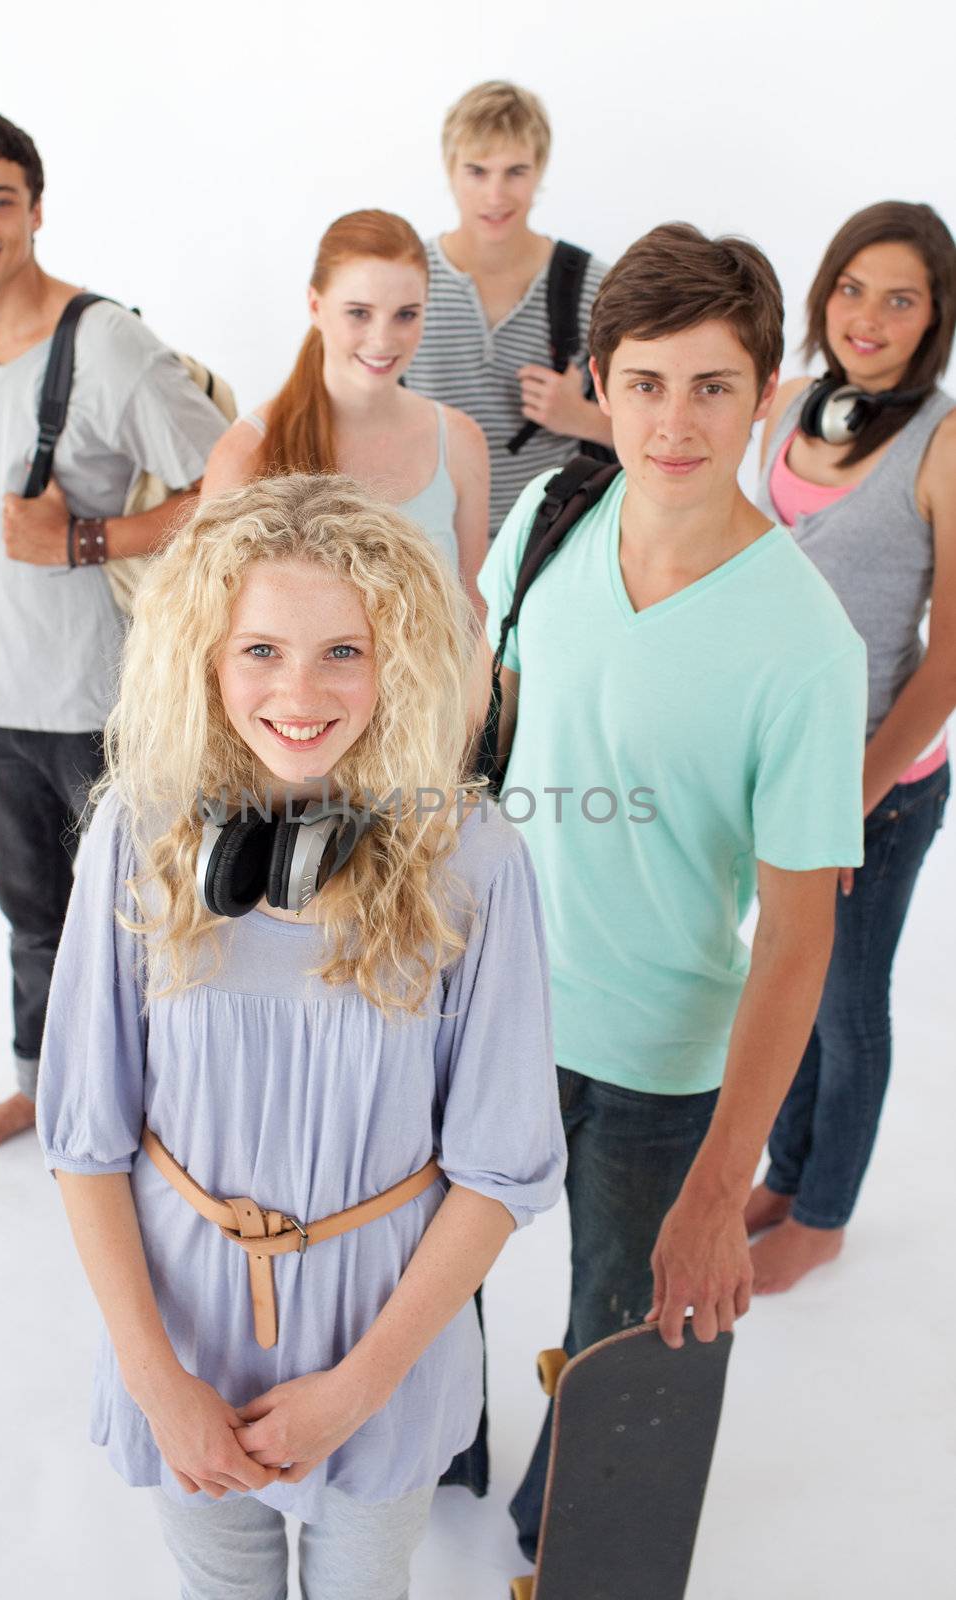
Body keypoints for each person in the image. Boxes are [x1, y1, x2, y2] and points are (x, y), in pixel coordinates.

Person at [36, 474, 565, 1600]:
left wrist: (360, 1386)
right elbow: (87, 1142)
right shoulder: (137, 834)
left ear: (401, 660)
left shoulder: (475, 861)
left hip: (383, 1348)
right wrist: (157, 1379)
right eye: (260, 649)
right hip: (182, 1339)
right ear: (206, 659)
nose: (299, 691)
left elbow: (496, 1169)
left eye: (343, 651)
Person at [478, 224, 868, 1560]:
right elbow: (484, 736)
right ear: (599, 378)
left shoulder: (800, 645)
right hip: (489, 1010)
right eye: (644, 382)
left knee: (617, 1347)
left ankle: (563, 1546)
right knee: (415, 1282)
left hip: (653, 1063)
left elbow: (798, 937)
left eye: (713, 385)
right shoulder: (550, 516)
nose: (675, 419)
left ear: (764, 392)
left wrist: (720, 1187)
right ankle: (437, 1474)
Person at [0, 112, 228, 1157]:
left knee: (144, 930)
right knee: (34, 919)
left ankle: (162, 1118)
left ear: (36, 211)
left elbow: (240, 485)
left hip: (103, 700)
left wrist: (85, 538)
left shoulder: (108, 348)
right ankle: (43, 1091)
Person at [747, 201, 956, 1291]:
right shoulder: (787, 405)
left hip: (879, 782)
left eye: (900, 298)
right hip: (777, 768)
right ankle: (786, 1171)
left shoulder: (945, 442)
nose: (867, 317)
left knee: (845, 999)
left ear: (934, 319)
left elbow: (951, 661)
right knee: (783, 975)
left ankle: (822, 1215)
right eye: (851, 288)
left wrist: (852, 791)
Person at [202, 209, 489, 615]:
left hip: (445, 682)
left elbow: (476, 618)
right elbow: (208, 628)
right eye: (359, 313)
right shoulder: (245, 452)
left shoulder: (460, 440)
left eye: (406, 314)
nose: (383, 339)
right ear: (315, 306)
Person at [405, 80, 613, 538]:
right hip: (423, 543)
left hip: (549, 541)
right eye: (477, 171)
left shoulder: (589, 285)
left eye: (515, 171)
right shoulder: (407, 278)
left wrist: (581, 418)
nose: (495, 196)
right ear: (450, 170)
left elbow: (656, 429)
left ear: (540, 170)